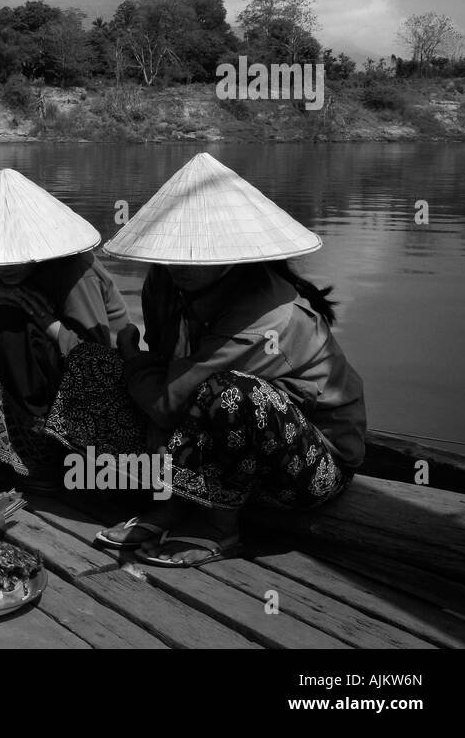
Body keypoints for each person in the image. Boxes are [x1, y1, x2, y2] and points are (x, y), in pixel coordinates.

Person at [93, 152, 366, 567]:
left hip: (307, 469)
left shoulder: (269, 314)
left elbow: (169, 403)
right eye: (169, 254)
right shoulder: (164, 284)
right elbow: (171, 375)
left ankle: (218, 528)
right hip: (213, 443)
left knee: (234, 394)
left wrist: (132, 355)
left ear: (234, 256)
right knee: (92, 365)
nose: (176, 266)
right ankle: (174, 501)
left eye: (196, 256)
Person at [0, 168, 133, 490]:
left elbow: (94, 356)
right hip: (29, 371)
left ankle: (39, 450)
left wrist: (46, 323)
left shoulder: (74, 271)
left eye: (13, 259)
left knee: (6, 322)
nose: (4, 267)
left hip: (90, 383)